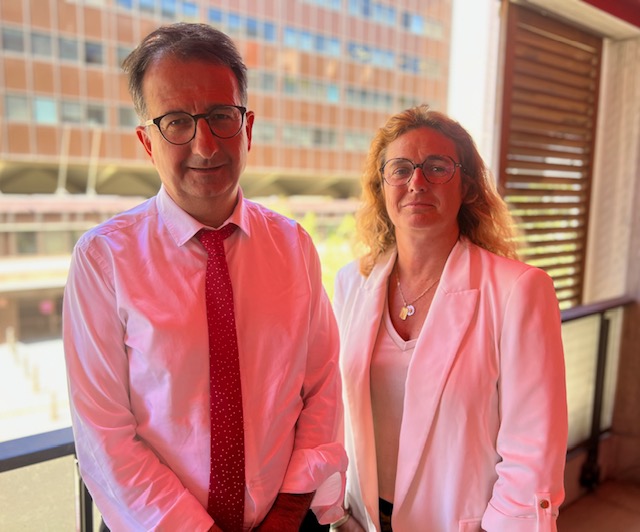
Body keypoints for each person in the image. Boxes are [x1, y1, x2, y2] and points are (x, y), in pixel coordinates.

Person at [63, 22, 346, 531]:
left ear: (249, 127)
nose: (206, 145)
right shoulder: (103, 260)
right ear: (147, 142)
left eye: (221, 116)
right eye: (176, 121)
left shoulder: (294, 247)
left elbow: (322, 384)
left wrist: (290, 508)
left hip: (285, 520)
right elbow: (105, 434)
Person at [331, 105, 567, 532]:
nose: (416, 182)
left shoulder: (518, 290)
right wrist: (335, 509)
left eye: (436, 167)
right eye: (400, 169)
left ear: (468, 186)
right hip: (360, 520)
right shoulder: (352, 283)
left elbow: (532, 451)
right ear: (381, 185)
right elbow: (334, 411)